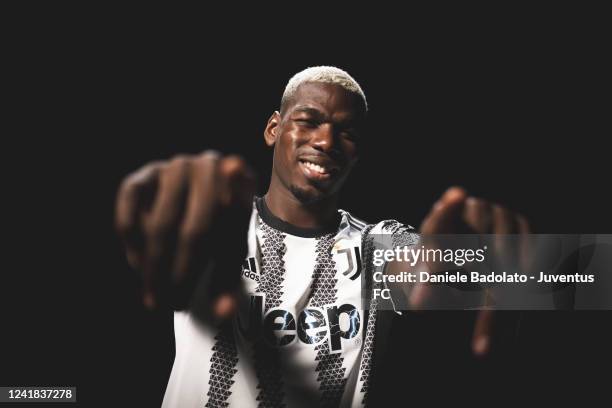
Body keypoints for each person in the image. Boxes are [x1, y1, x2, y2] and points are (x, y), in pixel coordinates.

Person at [115, 66, 529, 407]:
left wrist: (474, 259)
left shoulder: (373, 247)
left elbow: (423, 269)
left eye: (346, 132)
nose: (326, 141)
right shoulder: (218, 228)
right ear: (274, 128)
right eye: (309, 120)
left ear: (358, 152)